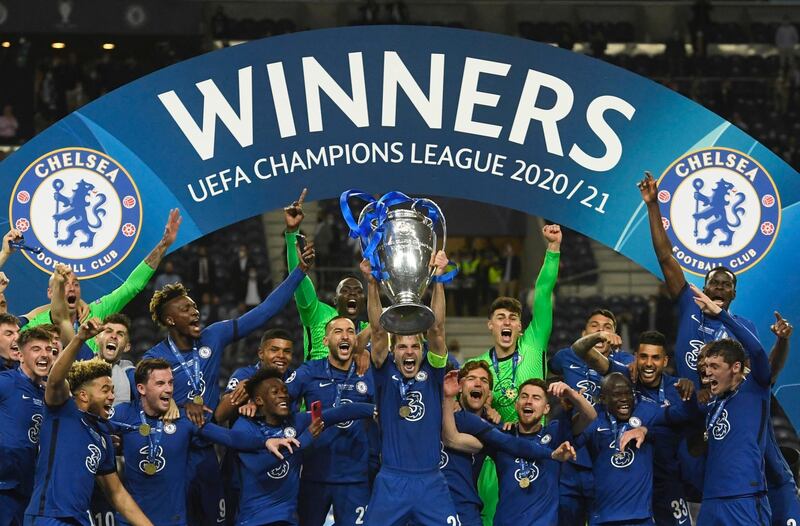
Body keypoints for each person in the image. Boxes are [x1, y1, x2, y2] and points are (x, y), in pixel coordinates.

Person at [142, 241, 313, 526]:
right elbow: (145, 401)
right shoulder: (154, 357)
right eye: (186, 309)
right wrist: (180, 404)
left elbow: (264, 312)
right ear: (170, 319)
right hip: (173, 451)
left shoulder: (214, 336)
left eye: (195, 307)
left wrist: (300, 271)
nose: (195, 312)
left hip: (206, 450)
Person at [109, 358, 278, 526]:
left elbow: (231, 438)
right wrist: (109, 442)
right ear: (141, 388)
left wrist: (266, 441)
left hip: (172, 521)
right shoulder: (123, 415)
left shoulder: (186, 419)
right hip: (129, 521)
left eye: (171, 383)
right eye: (160, 383)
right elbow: (90, 426)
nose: (168, 389)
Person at [360, 250, 462, 526]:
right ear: (394, 353)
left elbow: (437, 329)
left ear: (422, 350)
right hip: (391, 481)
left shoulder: (433, 370)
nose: (408, 351)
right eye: (402, 346)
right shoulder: (384, 371)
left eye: (415, 346)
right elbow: (378, 330)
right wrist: (371, 283)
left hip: (431, 481)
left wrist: (438, 278)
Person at [469, 224, 560, 526]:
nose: (507, 322)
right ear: (490, 326)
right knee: (494, 517)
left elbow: (544, 292)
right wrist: (486, 409)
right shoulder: (479, 365)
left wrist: (553, 250)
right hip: (499, 454)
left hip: (540, 444)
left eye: (513, 318)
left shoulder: (534, 344)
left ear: (521, 327)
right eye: (500, 318)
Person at [24, 317, 152, 526]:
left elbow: (117, 493)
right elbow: (55, 380)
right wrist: (79, 338)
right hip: (49, 516)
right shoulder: (62, 410)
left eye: (112, 390)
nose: (112, 396)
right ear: (83, 395)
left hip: (80, 519)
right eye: (105, 390)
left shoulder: (103, 437)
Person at [22, 209, 182, 355]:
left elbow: (132, 286)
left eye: (76, 284)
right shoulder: (34, 325)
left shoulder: (96, 311)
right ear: (51, 292)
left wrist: (163, 245)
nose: (71, 288)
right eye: (64, 284)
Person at [232, 367, 375, 526]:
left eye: (285, 391)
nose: (283, 395)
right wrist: (306, 439)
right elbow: (261, 465)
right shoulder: (245, 426)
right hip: (253, 520)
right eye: (275, 392)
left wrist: (376, 410)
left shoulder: (297, 422)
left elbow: (341, 412)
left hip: (286, 518)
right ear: (259, 400)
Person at [692, 286, 773, 525]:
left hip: (745, 498)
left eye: (714, 366)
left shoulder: (755, 387)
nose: (707, 373)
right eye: (706, 367)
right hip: (711, 500)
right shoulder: (713, 403)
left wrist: (721, 315)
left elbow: (757, 351)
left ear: (735, 367)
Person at [285, 316, 375, 526]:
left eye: (350, 331)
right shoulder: (309, 371)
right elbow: (279, 400)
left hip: (355, 478)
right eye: (338, 331)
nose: (345, 336)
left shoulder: (367, 373)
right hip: (314, 475)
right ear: (325, 341)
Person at [602, 331, 697, 526]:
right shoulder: (625, 382)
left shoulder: (678, 388)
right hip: (629, 484)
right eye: (643, 356)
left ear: (665, 361)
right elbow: (591, 358)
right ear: (635, 357)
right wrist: (599, 337)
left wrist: (691, 398)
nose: (648, 363)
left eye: (655, 357)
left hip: (667, 483)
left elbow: (688, 415)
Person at [548, 308, 633, 526]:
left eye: (607, 328)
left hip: (606, 455)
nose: (601, 331)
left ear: (615, 337)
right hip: (572, 456)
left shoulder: (625, 361)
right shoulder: (565, 356)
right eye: (595, 326)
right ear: (584, 331)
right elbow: (549, 373)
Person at [488, 378, 594, 526]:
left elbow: (590, 416)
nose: (528, 401)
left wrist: (571, 394)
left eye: (536, 398)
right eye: (524, 396)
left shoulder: (555, 433)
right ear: (516, 404)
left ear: (546, 409)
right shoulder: (503, 435)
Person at [283, 189, 370, 361]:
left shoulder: (369, 329)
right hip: (314, 386)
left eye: (358, 291)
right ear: (335, 300)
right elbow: (297, 281)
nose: (353, 293)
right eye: (345, 290)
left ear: (363, 301)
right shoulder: (317, 313)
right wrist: (292, 232)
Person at [574, 371, 659, 525]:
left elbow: (671, 428)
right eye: (617, 395)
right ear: (603, 399)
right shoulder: (594, 423)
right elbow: (571, 443)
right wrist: (569, 411)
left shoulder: (647, 417)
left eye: (628, 393)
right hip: (604, 519)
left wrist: (646, 430)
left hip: (641, 518)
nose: (625, 399)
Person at [0, 327, 52, 525]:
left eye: (49, 350)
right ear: (20, 355)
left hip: (31, 492)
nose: (45, 355)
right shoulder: (7, 383)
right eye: (36, 349)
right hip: (4, 490)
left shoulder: (49, 395)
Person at [216, 328, 296, 424]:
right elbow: (220, 416)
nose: (281, 356)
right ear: (261, 354)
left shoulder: (294, 378)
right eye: (274, 350)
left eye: (287, 351)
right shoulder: (244, 374)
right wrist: (247, 390)